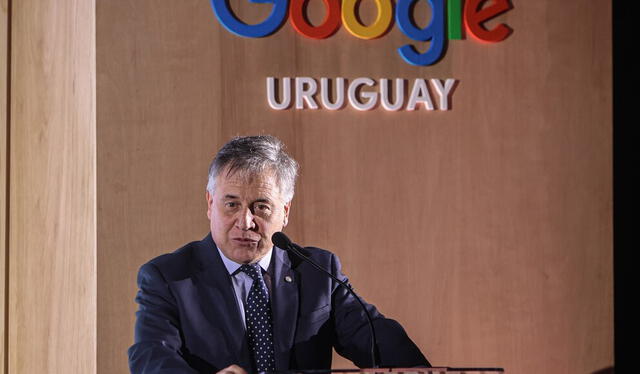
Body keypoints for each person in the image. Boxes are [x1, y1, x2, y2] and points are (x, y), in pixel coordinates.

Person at [128, 135, 430, 374]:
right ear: (210, 204)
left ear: (284, 211)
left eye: (261, 206)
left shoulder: (316, 271)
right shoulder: (169, 277)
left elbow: (375, 339)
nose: (245, 222)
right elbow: (151, 356)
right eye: (231, 204)